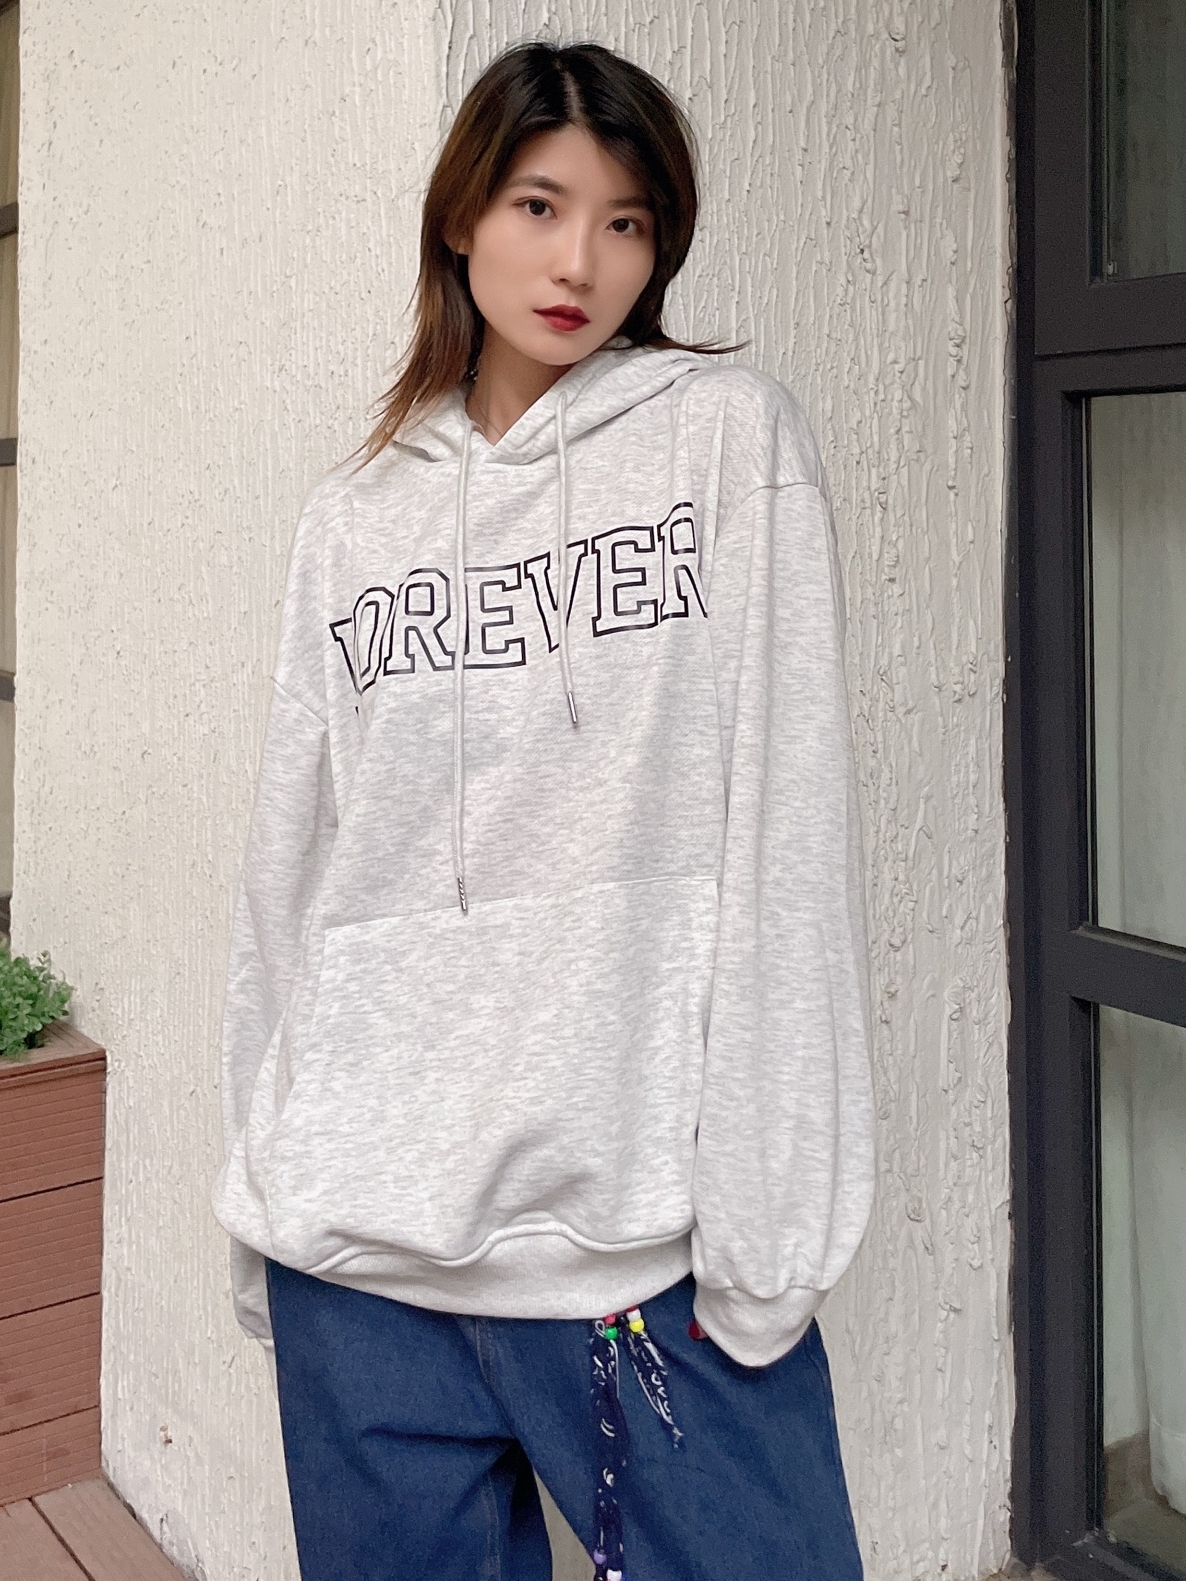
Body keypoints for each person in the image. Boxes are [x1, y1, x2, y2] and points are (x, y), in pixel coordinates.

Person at [212, 39, 875, 1581]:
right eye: (538, 203)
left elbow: (786, 842)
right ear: (461, 215)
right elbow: (293, 871)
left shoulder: (726, 442)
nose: (581, 261)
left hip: (633, 1264)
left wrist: (768, 1239)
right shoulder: (356, 514)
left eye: (627, 221)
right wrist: (261, 1183)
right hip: (356, 1261)